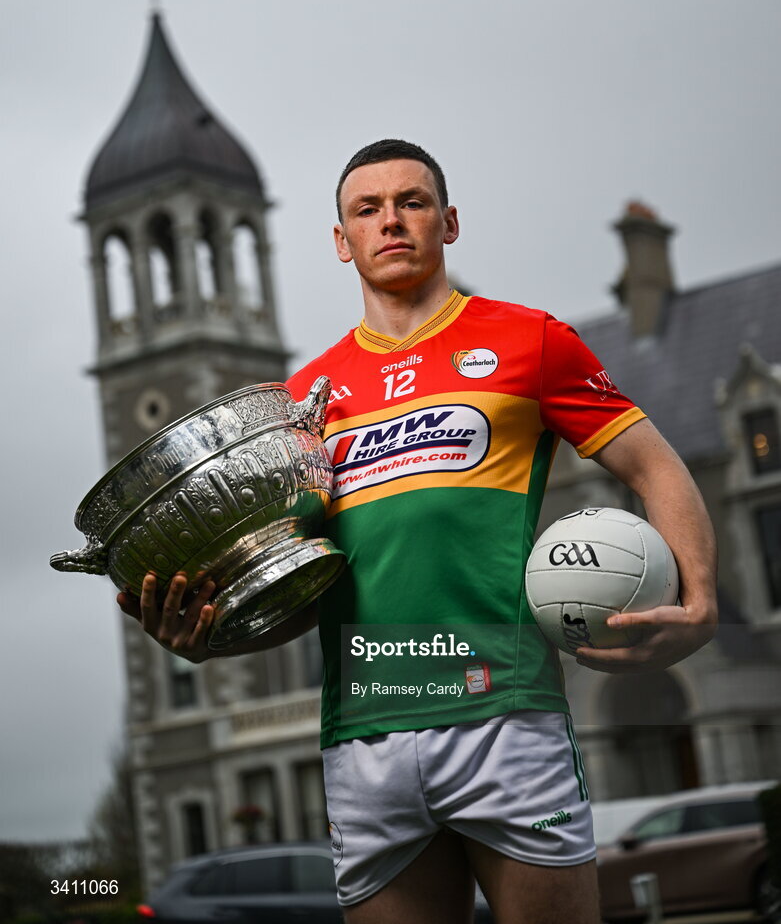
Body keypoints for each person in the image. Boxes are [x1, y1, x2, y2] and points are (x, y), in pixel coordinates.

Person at [118, 139, 717, 924]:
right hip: (364, 734)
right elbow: (310, 588)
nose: (390, 221)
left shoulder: (528, 341)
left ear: (448, 222)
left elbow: (656, 467)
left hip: (503, 712)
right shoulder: (303, 401)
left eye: (411, 202)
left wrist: (700, 599)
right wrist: (212, 637)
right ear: (342, 241)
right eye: (367, 209)